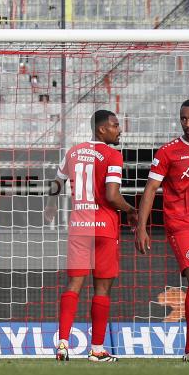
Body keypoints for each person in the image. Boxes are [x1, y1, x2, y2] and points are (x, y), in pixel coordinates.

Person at [135, 99, 189, 362]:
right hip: (180, 225)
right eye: (184, 119)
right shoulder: (168, 152)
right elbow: (150, 189)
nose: (188, 124)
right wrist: (142, 227)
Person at [45, 110, 137, 362]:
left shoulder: (73, 152)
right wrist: (131, 210)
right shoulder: (113, 155)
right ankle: (97, 349)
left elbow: (57, 181)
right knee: (102, 289)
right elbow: (111, 195)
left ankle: (62, 343)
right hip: (104, 229)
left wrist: (51, 205)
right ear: (101, 130)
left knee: (74, 285)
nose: (120, 130)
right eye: (115, 125)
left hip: (79, 228)